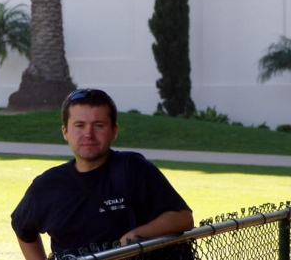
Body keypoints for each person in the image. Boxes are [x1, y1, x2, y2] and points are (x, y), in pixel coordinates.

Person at [11, 88, 194, 259]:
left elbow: (182, 218)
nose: (88, 134)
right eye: (79, 125)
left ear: (114, 131)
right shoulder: (47, 185)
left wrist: (133, 238)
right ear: (65, 131)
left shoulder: (133, 169)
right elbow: (23, 228)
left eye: (98, 125)